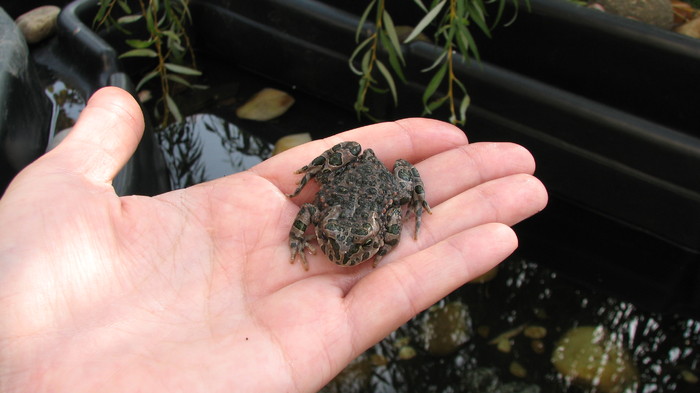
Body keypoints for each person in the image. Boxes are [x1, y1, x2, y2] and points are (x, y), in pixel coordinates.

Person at [0, 86, 547, 392]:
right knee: (346, 157)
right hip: (348, 184)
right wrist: (310, 208)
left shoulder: (373, 235)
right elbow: (303, 221)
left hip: (378, 189)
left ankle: (408, 194)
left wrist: (390, 227)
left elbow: (382, 239)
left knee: (409, 180)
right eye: (337, 243)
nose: (341, 253)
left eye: (349, 249)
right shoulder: (323, 223)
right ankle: (318, 170)